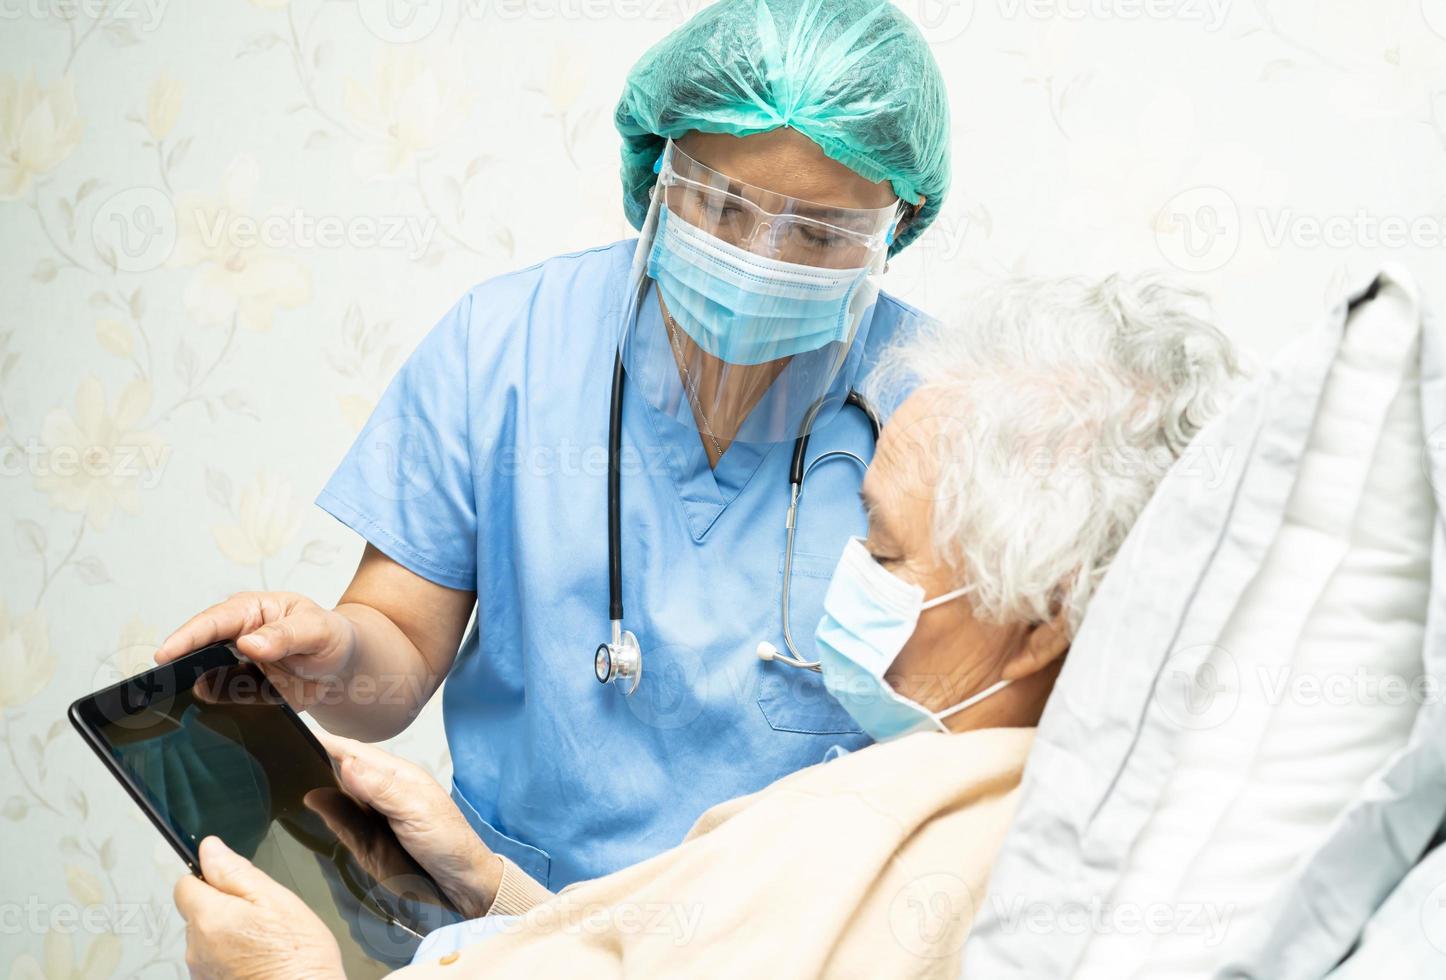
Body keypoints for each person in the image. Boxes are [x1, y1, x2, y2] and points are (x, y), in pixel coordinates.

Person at [173, 273, 1243, 978]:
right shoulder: (965, 787)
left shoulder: (917, 833)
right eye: (721, 200)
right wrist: (489, 887)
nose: (764, 253)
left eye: (882, 551)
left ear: (1049, 611)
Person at [153, 0, 951, 894]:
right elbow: (400, 651)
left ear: (898, 219)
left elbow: (974, 731)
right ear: (658, 168)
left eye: (816, 232)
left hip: (795, 935)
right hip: (507, 922)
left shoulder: (939, 411)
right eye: (721, 204)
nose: (758, 253)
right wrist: (334, 656)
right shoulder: (504, 345)